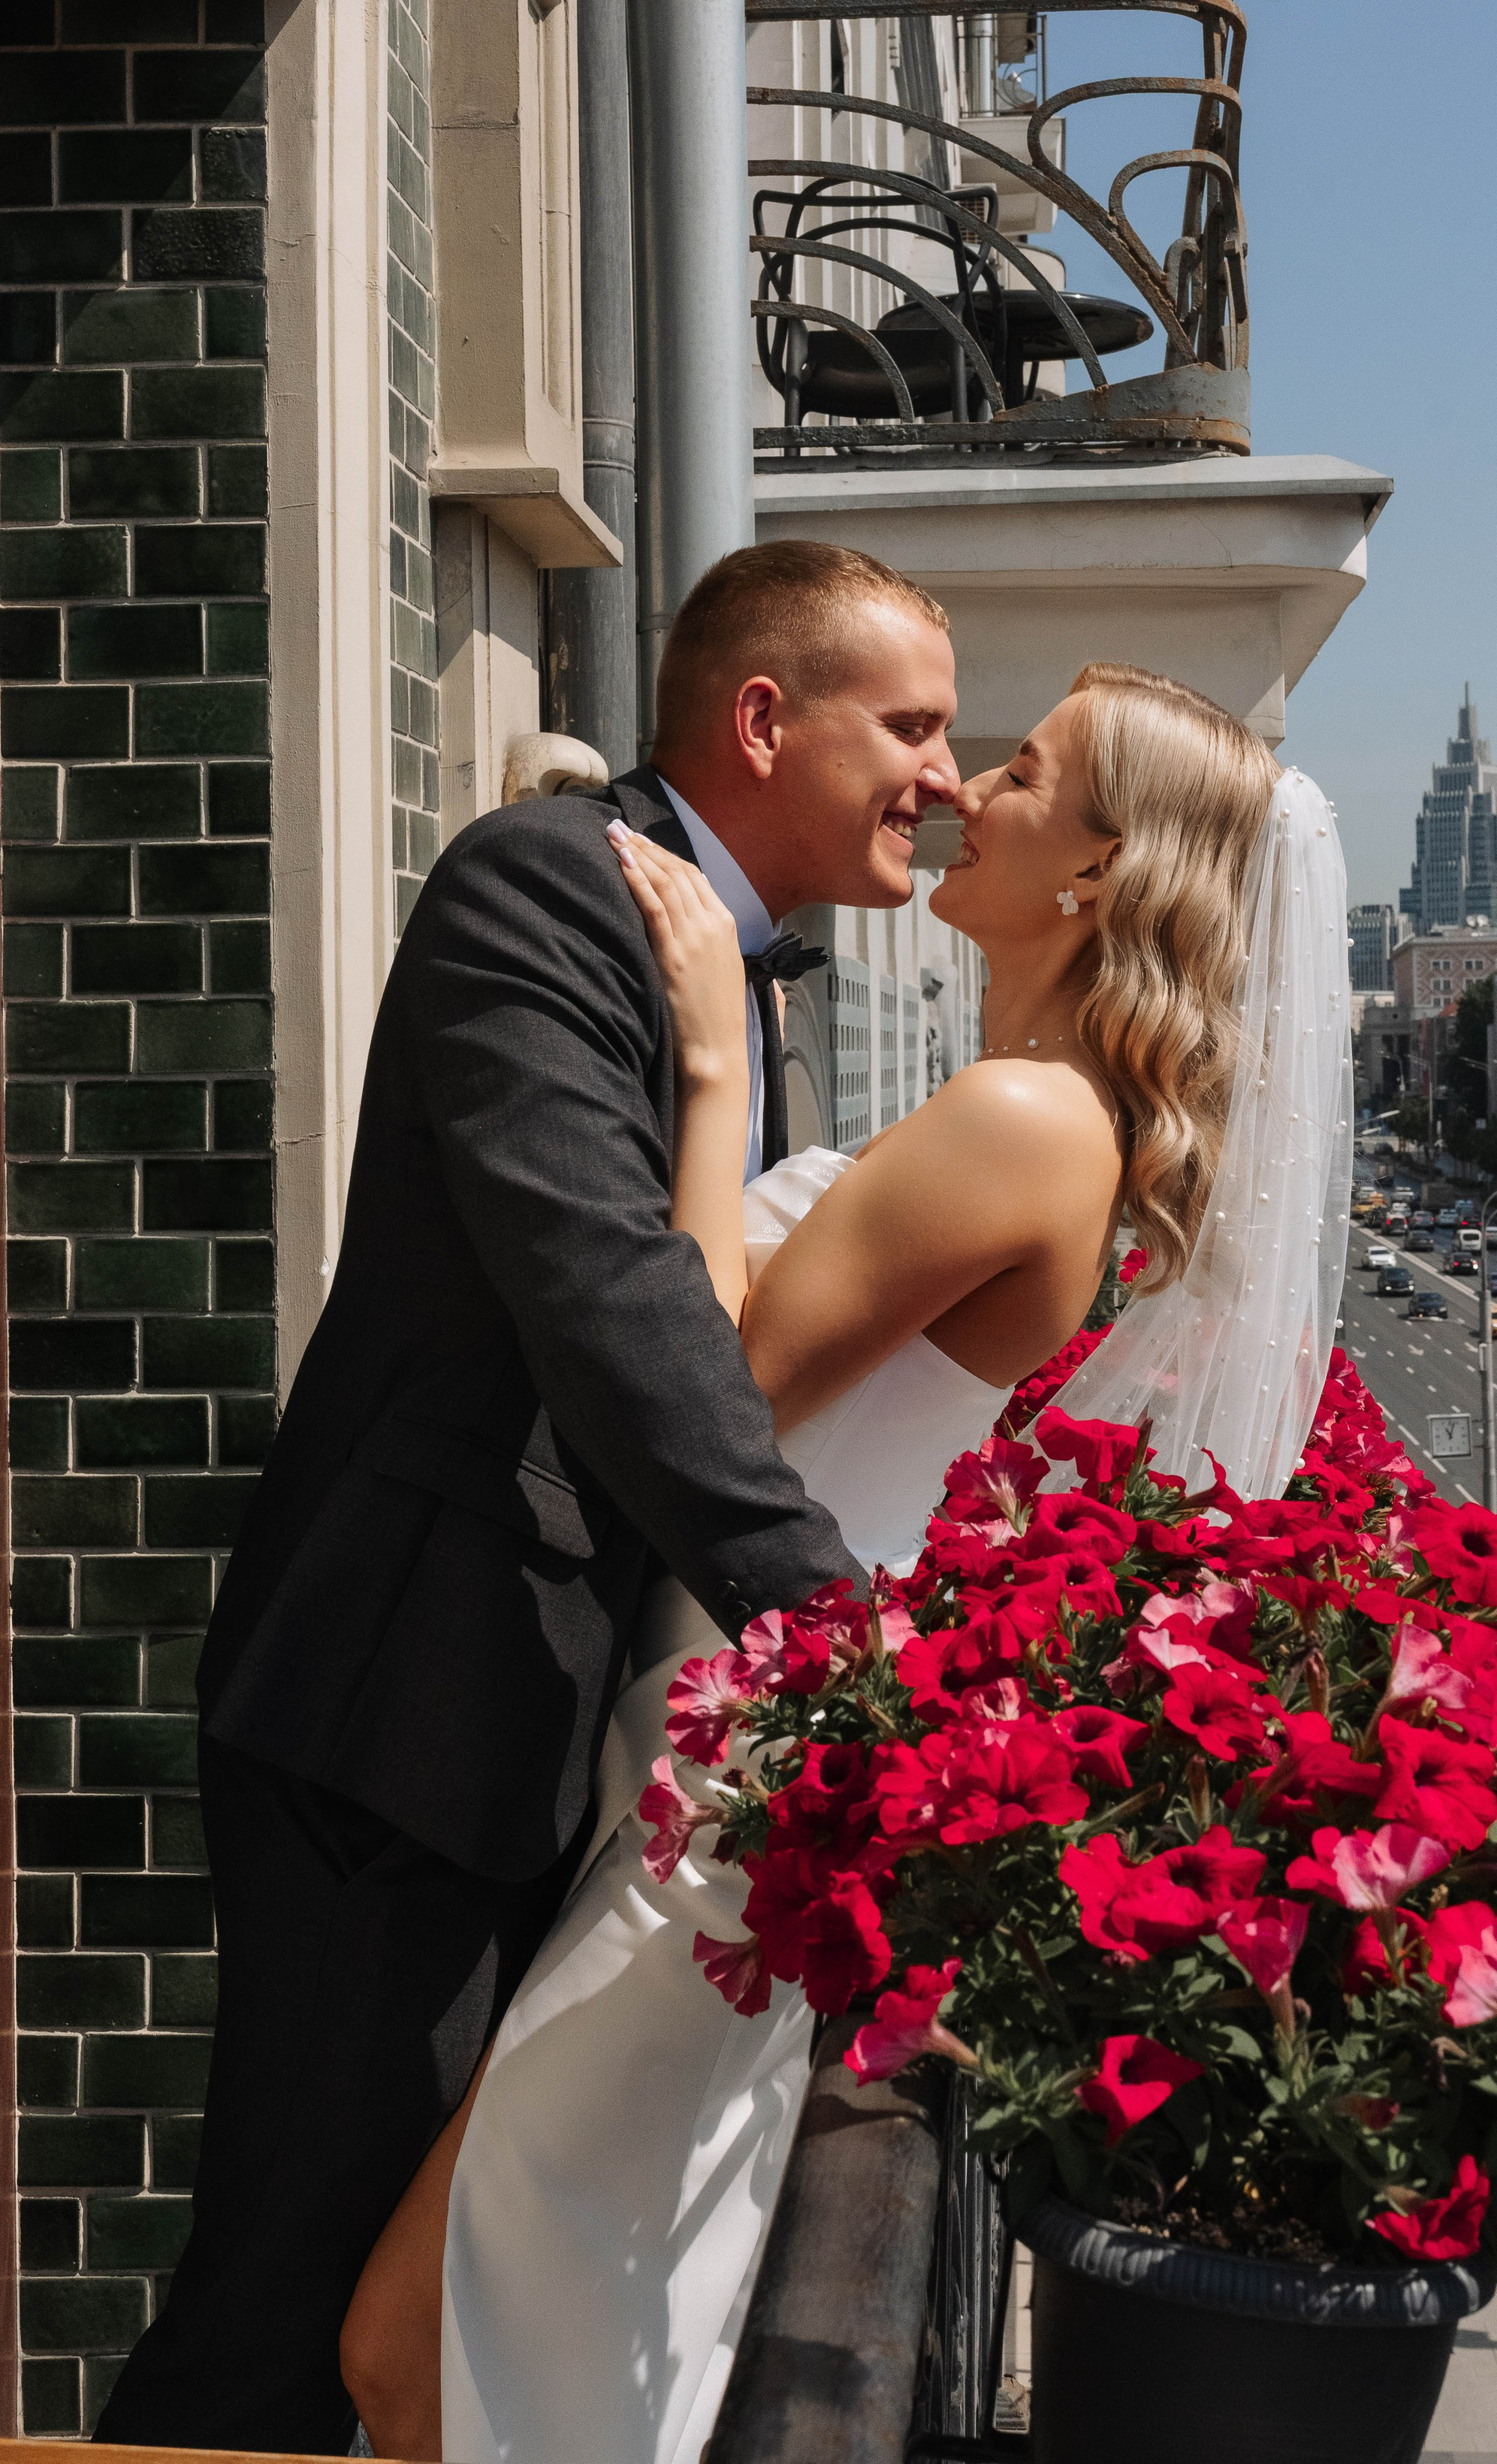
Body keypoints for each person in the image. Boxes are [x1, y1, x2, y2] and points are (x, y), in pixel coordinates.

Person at [339, 663, 1353, 2464]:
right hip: (718, 1757)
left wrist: (715, 1059)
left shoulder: (1028, 1122)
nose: (965, 783)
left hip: (726, 1805)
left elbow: (707, 1386)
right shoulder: (1044, 1110)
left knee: (433, 2355)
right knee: (516, 2346)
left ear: (1098, 878)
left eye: (1022, 771)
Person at [97, 542, 964, 2456]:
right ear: (762, 718)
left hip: (535, 1731)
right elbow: (616, 1306)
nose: (948, 779)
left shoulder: (726, 965)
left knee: (405, 2308)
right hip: (402, 1717)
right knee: (283, 2316)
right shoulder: (544, 886)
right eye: (910, 725)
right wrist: (849, 1654)